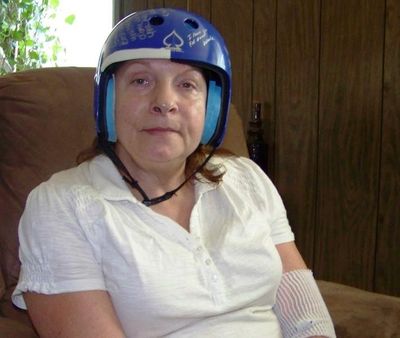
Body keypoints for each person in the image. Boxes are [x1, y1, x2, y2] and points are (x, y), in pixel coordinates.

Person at [12, 8, 335, 338]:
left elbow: (307, 318)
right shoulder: (61, 206)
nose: (165, 102)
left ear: (211, 110)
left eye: (187, 84)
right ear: (108, 101)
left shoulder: (246, 179)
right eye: (141, 81)